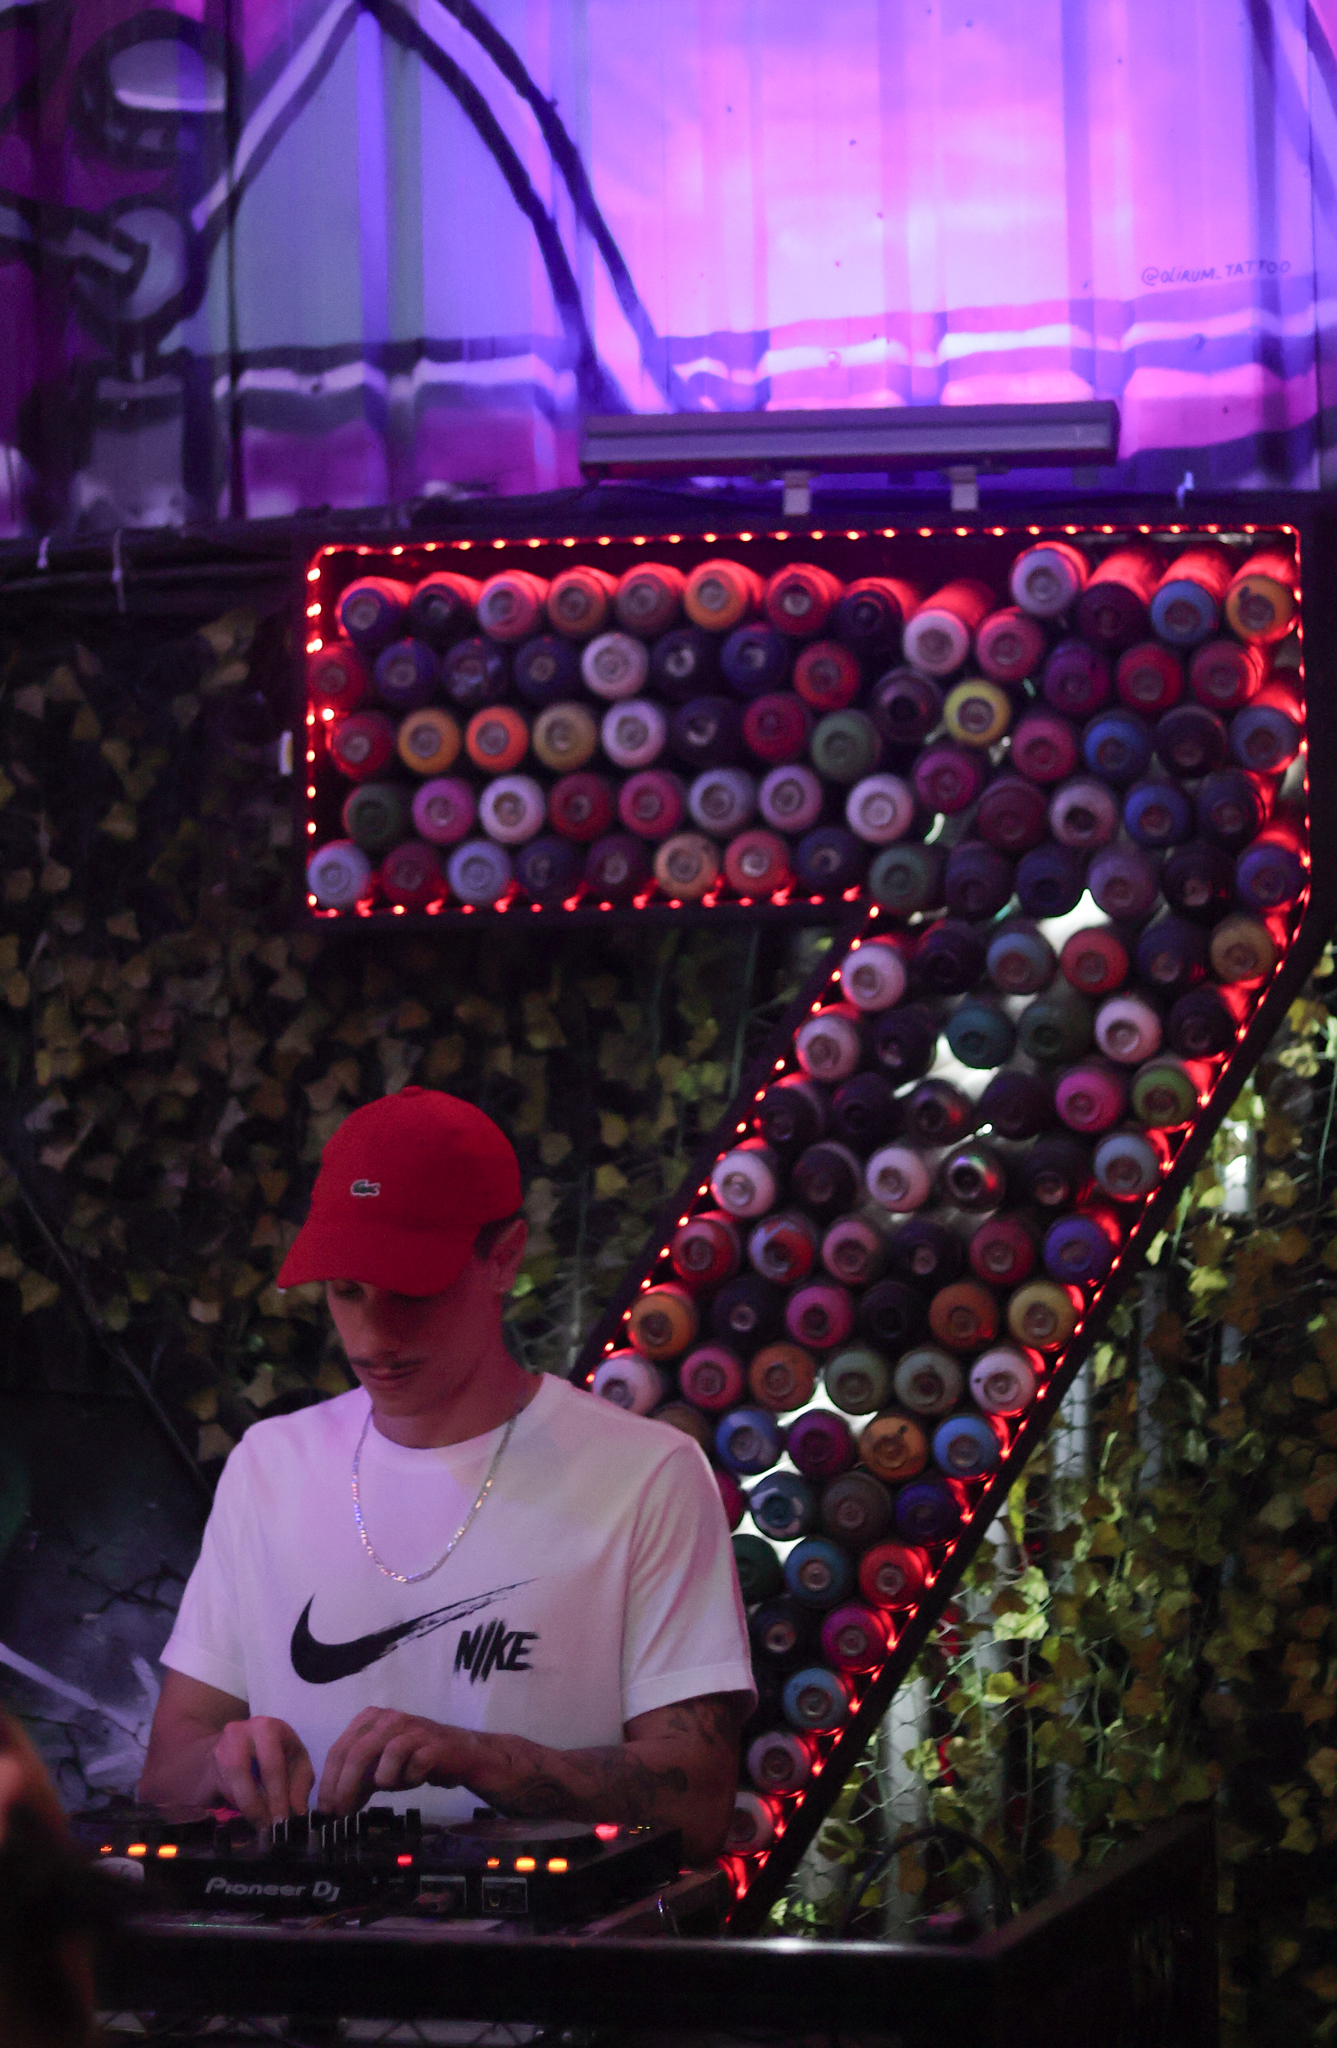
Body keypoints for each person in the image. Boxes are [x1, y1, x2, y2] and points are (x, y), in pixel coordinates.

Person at [140, 1088, 754, 1863]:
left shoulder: (647, 1476)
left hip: (538, 1944)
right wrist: (222, 1764)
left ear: (504, 1258)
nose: (372, 1337)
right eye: (346, 1291)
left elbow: (698, 1800)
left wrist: (487, 1759)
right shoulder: (269, 1464)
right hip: (289, 1939)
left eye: (411, 1292)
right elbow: (165, 1771)